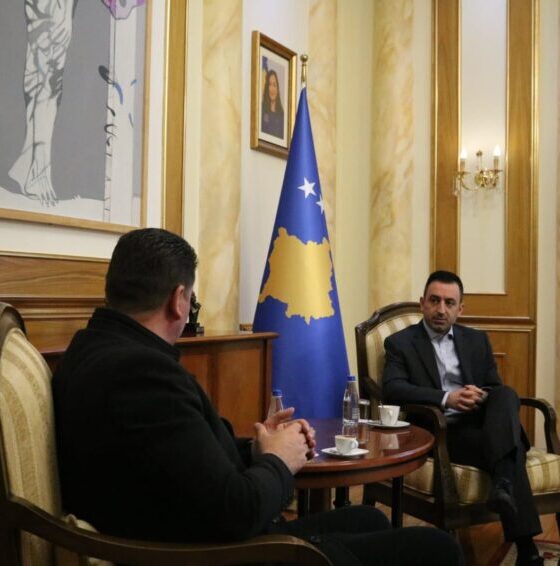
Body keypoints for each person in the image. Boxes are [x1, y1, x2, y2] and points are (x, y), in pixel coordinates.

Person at [52, 229, 463, 565]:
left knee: (366, 518)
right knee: (437, 548)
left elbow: (179, 458)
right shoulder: (141, 374)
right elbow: (237, 511)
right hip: (210, 552)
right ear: (179, 301)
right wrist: (278, 459)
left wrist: (258, 446)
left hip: (185, 531)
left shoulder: (91, 350)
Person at [382, 270, 543, 566]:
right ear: (422, 303)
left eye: (449, 303)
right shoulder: (400, 343)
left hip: (481, 424)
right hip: (441, 432)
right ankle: (527, 548)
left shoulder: (476, 340)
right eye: (434, 300)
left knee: (505, 394)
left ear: (460, 309)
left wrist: (478, 395)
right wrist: (448, 398)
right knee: (512, 449)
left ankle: (504, 485)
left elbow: (492, 386)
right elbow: (393, 388)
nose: (441, 309)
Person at [261, 69, 284, 139]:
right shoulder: (261, 110)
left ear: (277, 88)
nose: (272, 89)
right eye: (270, 85)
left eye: (274, 85)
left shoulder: (282, 114)